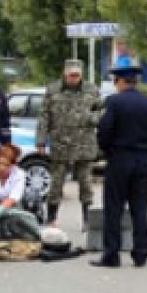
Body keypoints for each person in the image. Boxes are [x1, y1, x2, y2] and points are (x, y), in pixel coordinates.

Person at [91, 59, 147, 268]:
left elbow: (104, 132)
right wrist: (145, 148)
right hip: (142, 160)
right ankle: (141, 253)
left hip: (119, 159)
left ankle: (112, 255)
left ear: (119, 81)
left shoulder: (114, 102)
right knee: (140, 208)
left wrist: (107, 149)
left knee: (114, 207)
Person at [36, 59, 102, 227]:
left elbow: (102, 111)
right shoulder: (52, 90)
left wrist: (92, 118)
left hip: (84, 144)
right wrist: (41, 141)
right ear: (65, 73)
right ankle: (52, 217)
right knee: (56, 183)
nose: (74, 77)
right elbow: (44, 116)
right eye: (71, 74)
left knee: (85, 183)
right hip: (60, 144)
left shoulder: (92, 90)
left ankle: (87, 219)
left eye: (77, 75)